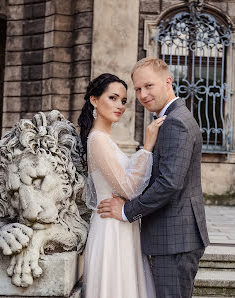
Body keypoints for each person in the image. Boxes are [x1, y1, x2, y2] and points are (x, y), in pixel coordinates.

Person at [97, 57, 210, 298]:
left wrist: (127, 211)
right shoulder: (168, 119)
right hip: (173, 237)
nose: (143, 94)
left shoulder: (176, 122)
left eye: (149, 86)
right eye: (138, 89)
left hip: (175, 238)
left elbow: (169, 184)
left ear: (168, 82)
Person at [78, 73, 164, 298]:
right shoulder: (97, 139)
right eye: (113, 98)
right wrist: (147, 147)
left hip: (122, 224)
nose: (120, 106)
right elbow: (128, 189)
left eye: (124, 101)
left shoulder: (105, 139)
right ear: (94, 100)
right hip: (111, 229)